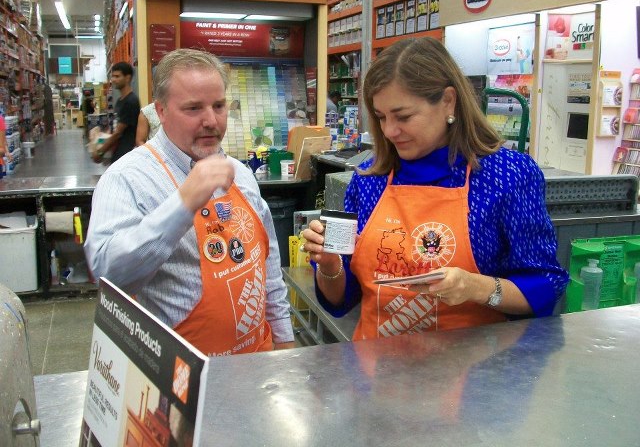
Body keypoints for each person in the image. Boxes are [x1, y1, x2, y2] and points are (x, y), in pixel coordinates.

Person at [301, 37, 568, 340]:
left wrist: (475, 287)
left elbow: (547, 284)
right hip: (379, 374)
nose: (389, 131)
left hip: (478, 376)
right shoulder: (369, 177)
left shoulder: (508, 175)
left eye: (403, 116)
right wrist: (330, 264)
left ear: (448, 101)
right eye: (381, 117)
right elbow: (341, 300)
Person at [85, 48, 295, 355]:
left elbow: (268, 264)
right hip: (182, 380)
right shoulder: (127, 178)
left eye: (219, 105)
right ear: (161, 111)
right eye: (193, 108)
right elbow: (109, 275)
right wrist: (183, 203)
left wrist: (284, 337)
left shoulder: (239, 173)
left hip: (258, 365)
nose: (211, 120)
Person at [92, 62, 140, 164]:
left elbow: (118, 133)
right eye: (113, 76)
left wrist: (101, 152)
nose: (113, 79)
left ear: (127, 78)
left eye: (117, 76)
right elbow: (114, 128)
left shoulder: (130, 101)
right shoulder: (120, 101)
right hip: (117, 151)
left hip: (126, 153)